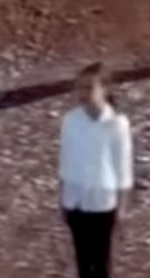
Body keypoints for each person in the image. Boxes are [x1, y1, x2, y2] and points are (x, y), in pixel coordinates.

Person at [58, 64, 133, 278]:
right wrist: (62, 197)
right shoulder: (71, 121)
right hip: (75, 199)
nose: (82, 94)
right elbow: (66, 159)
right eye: (79, 88)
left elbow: (123, 167)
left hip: (102, 202)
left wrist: (122, 205)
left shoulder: (117, 124)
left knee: (100, 260)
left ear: (105, 90)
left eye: (89, 88)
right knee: (82, 258)